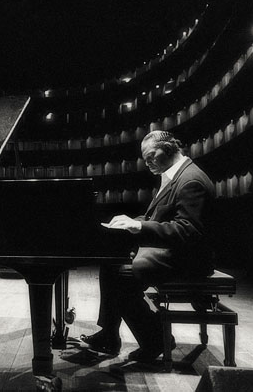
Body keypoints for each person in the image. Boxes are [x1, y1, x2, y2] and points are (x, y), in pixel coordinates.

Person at [82, 130, 215, 362]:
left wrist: (139, 228)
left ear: (170, 148)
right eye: (145, 159)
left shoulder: (190, 180)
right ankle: (109, 334)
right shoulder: (175, 175)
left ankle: (156, 339)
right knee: (111, 263)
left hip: (188, 260)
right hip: (175, 253)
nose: (148, 162)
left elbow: (188, 231)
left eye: (151, 155)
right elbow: (159, 217)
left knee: (122, 276)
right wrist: (131, 222)